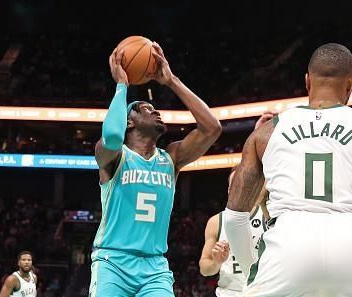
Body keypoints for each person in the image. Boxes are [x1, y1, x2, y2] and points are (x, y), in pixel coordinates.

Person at [88, 42, 222, 297]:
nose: (156, 111)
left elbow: (212, 128)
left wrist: (172, 81)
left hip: (155, 267)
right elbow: (114, 136)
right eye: (146, 109)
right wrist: (121, 86)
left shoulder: (170, 157)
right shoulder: (113, 156)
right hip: (112, 262)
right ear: (129, 121)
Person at [224, 42, 352, 296]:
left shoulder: (266, 132)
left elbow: (235, 217)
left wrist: (253, 269)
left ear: (307, 81)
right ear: (350, 85)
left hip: (288, 244)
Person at [199, 112, 273, 297]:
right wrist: (216, 261)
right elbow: (205, 268)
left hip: (262, 291)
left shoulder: (267, 212)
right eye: (234, 186)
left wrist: (258, 135)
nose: (239, 188)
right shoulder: (216, 221)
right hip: (229, 292)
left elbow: (256, 172)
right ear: (229, 191)